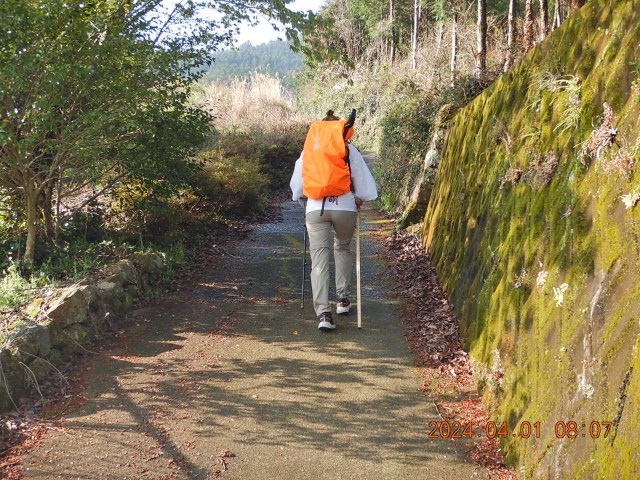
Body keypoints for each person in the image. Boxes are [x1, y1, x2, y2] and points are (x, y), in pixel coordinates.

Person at [290, 110, 378, 331]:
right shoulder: (348, 150)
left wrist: (300, 198)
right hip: (344, 208)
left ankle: (324, 315)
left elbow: (297, 185)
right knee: (342, 248)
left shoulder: (309, 149)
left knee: (319, 258)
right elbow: (364, 185)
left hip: (315, 209)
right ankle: (343, 300)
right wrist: (360, 198)